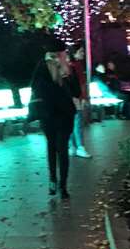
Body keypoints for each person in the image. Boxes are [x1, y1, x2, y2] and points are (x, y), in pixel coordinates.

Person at [30, 39, 81, 200]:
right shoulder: (55, 68)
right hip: (61, 114)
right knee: (61, 149)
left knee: (53, 147)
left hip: (50, 115)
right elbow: (76, 92)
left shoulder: (43, 67)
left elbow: (36, 88)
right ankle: (62, 186)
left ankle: (54, 181)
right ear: (61, 53)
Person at [67, 44, 91, 158]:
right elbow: (81, 84)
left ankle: (72, 147)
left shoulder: (68, 65)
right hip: (76, 98)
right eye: (80, 51)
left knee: (71, 123)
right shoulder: (77, 66)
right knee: (77, 123)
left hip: (69, 98)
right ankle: (80, 147)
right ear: (74, 53)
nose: (83, 54)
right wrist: (84, 98)